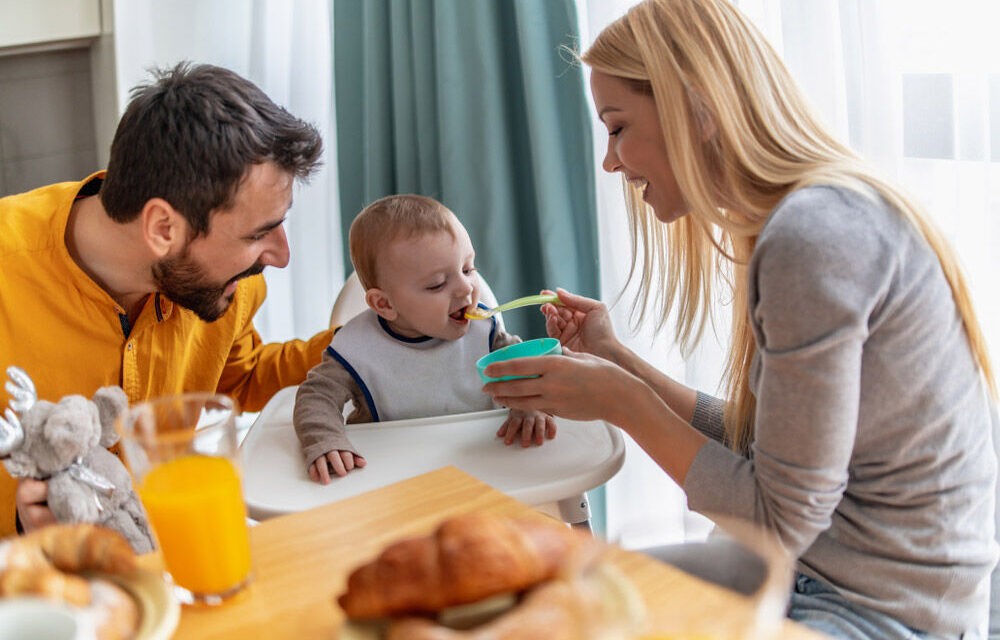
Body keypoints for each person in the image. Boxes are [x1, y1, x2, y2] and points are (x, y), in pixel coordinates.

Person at [481, 1, 998, 638]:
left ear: (696, 110)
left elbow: (777, 523)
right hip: (819, 576)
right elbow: (774, 451)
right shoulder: (808, 220)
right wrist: (617, 360)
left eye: (617, 128)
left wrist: (622, 402)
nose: (609, 162)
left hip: (874, 610)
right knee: (542, 598)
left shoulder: (813, 238)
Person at [0, 62, 334, 536]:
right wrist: (21, 525)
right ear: (162, 228)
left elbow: (237, 379)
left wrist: (371, 344)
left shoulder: (225, 285)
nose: (281, 256)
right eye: (258, 234)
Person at [293, 194, 556, 484]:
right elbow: (315, 396)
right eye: (437, 284)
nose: (466, 289)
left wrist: (528, 407)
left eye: (468, 269)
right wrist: (326, 440)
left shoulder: (486, 335)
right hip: (389, 479)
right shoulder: (356, 349)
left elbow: (524, 371)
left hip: (483, 467)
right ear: (384, 304)